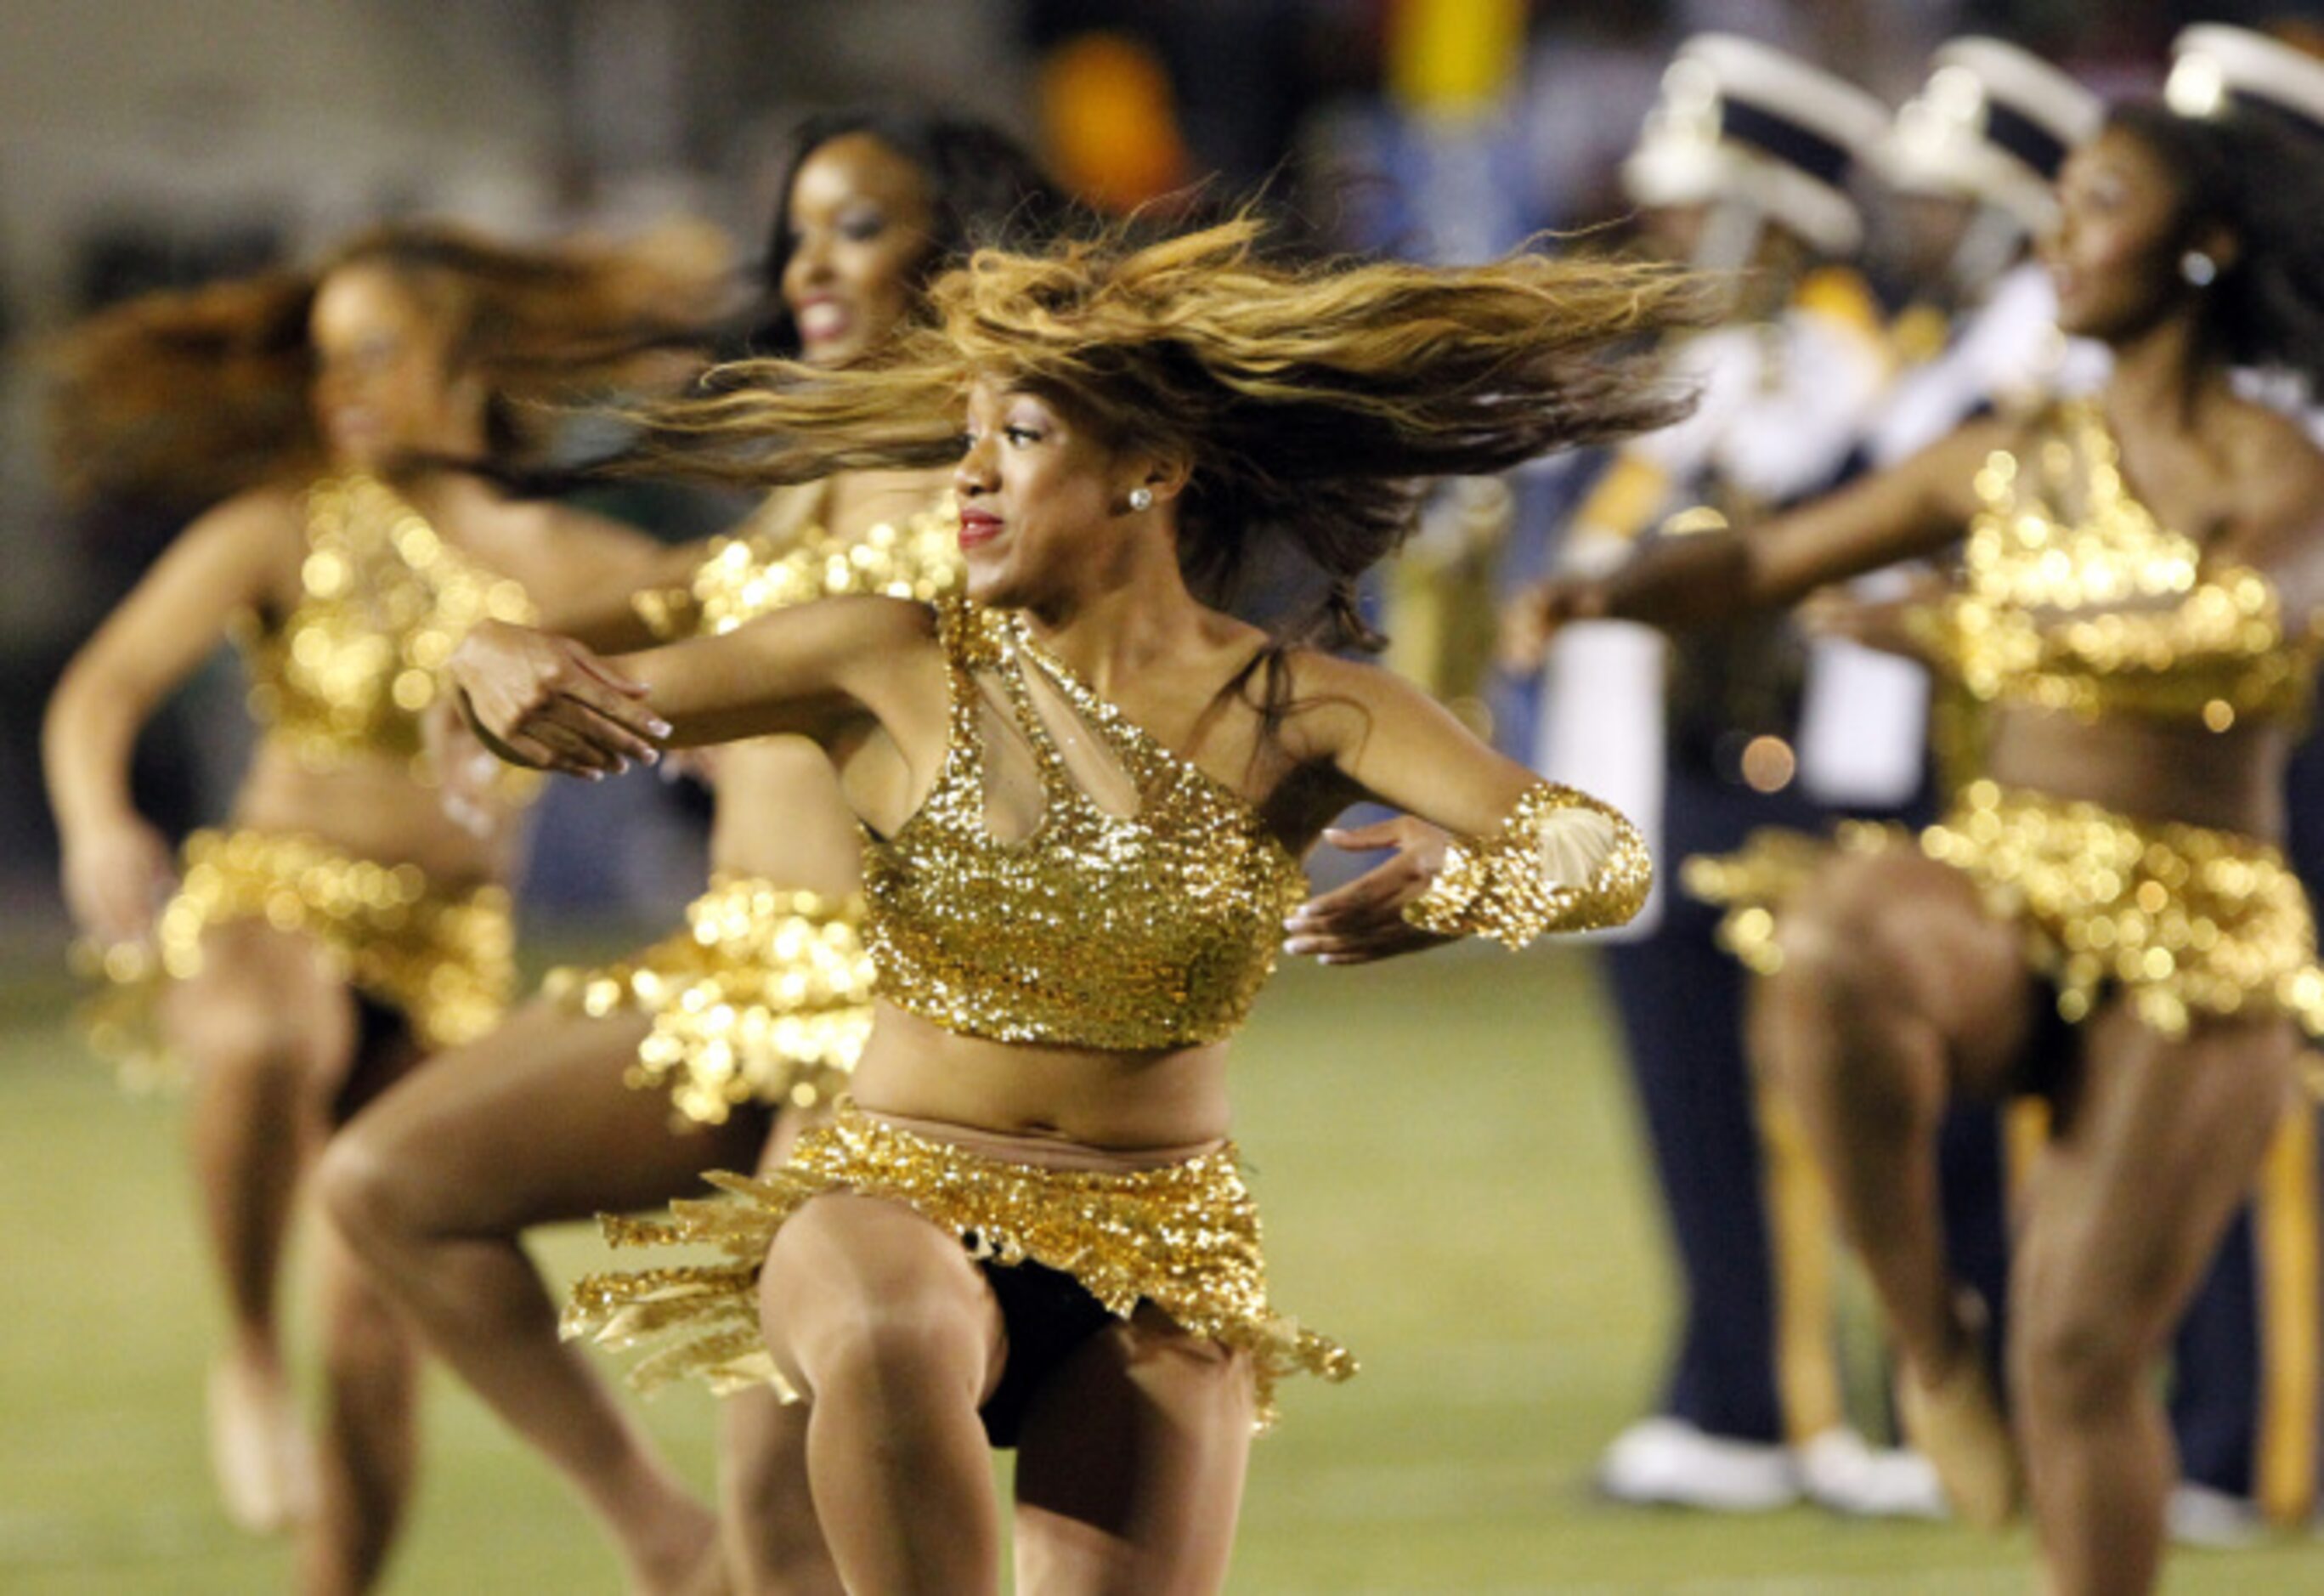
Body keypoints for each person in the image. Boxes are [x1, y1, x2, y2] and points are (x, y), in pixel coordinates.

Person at [449, 213, 1693, 1595]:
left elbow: (1597, 850)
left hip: (1159, 1249)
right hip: (895, 1193)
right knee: (882, 1317)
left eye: (1021, 437)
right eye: (962, 437)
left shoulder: (1297, 706)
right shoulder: (888, 658)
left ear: (1151, 470)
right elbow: (570, 685)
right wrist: (488, 659)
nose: (967, 475)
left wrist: (1478, 885)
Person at [1505, 52, 2324, 1596]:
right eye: (2060, 211)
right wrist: (1604, 593)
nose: (2057, 243)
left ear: (2202, 250)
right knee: (1834, 932)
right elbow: (1766, 561)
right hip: (2012, 875)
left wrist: (1969, 628)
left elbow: (2245, 623)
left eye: (2096, 211)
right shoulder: (2013, 452)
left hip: (2202, 917)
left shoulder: (2273, 465)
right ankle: (1931, 1330)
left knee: (2083, 1348)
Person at [316, 111, 1065, 1594]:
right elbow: (690, 592)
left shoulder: (1020, 468)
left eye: (857, 224)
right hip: (733, 969)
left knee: (783, 1486)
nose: (809, 264)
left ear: (965, 248)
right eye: (798, 231)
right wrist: (498, 647)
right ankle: (660, 1542)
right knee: (385, 1180)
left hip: (906, 1009)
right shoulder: (816, 468)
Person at [42, 223, 727, 1593]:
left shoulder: (580, 561)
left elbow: (737, 689)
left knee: (375, 1335)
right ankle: (244, 1351)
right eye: (324, 361)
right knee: (264, 1038)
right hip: (273, 899)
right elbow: (101, 689)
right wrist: (97, 820)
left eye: (373, 354)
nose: (338, 387)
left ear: (464, 365)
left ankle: (646, 1538)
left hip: (449, 952)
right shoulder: (277, 530)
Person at [1521, 33, 1925, 1514]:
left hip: (1772, 786)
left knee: (1782, 1116)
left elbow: (1767, 556)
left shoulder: (1831, 364)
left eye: (1702, 209)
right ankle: (1729, 1384)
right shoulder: (1707, 363)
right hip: (1649, 787)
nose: (1671, 235)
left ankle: (1796, 1406)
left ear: (1770, 210)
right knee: (1696, 1113)